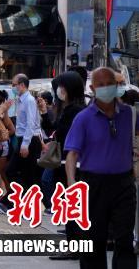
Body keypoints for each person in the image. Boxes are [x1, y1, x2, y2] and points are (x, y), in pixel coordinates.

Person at [64, 67, 137, 268]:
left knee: (124, 238)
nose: (106, 88)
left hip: (124, 183)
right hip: (92, 184)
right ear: (92, 88)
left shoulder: (129, 115)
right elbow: (72, 154)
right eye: (101, 85)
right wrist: (72, 185)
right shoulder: (84, 118)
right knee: (93, 240)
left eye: (110, 84)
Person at [47, 71, 87, 262]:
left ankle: (75, 247)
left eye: (61, 87)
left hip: (71, 166)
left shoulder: (74, 112)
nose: (59, 91)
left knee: (72, 208)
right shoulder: (71, 109)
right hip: (66, 164)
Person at [7, 74, 42, 190]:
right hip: (23, 139)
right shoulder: (20, 100)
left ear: (22, 85)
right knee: (21, 173)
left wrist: (25, 144)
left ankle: (26, 196)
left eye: (14, 85)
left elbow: (30, 123)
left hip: (29, 140)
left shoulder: (29, 100)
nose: (13, 88)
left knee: (22, 173)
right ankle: (25, 197)